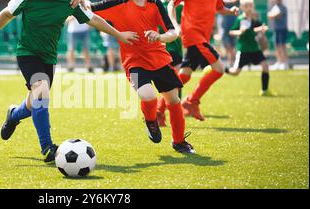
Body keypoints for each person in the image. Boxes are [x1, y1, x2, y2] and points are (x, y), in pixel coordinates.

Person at [0, 0, 138, 162]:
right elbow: (6, 13)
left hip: (49, 57)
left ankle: (13, 115)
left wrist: (118, 34)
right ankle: (47, 147)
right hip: (27, 53)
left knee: (36, 101)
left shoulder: (71, 2)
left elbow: (93, 19)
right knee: (41, 93)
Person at [91, 0, 195, 154]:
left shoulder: (155, 4)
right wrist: (118, 34)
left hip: (159, 59)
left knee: (173, 100)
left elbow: (173, 33)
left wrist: (159, 37)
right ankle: (151, 121)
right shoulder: (117, 3)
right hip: (134, 62)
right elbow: (88, 13)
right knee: (148, 96)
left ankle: (179, 142)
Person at [168, 0, 239, 121]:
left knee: (185, 75)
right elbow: (171, 4)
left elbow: (219, 8)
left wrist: (230, 11)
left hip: (201, 37)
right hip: (194, 35)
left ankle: (158, 111)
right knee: (219, 69)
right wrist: (175, 26)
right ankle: (191, 101)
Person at [226, 0, 272, 96]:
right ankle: (222, 69)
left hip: (255, 49)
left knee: (265, 66)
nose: (249, 8)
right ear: (242, 7)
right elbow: (231, 32)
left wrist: (262, 29)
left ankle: (264, 91)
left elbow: (258, 28)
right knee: (235, 72)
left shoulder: (254, 19)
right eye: (246, 6)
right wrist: (239, 32)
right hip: (243, 50)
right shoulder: (240, 19)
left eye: (250, 5)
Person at [156, 0, 183, 127]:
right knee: (175, 82)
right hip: (166, 48)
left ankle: (160, 112)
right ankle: (159, 111)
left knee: (176, 82)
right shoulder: (158, 5)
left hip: (176, 47)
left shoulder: (180, 6)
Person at [268, 0, 288, 70]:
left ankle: (284, 63)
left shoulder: (283, 7)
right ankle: (279, 62)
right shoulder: (275, 7)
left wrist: (272, 14)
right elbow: (270, 16)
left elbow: (275, 15)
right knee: (277, 46)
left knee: (282, 46)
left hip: (282, 29)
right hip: (276, 29)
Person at [220, 0, 239, 67]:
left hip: (234, 26)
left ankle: (233, 62)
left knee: (233, 47)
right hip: (225, 26)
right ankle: (230, 62)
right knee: (228, 47)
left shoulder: (237, 2)